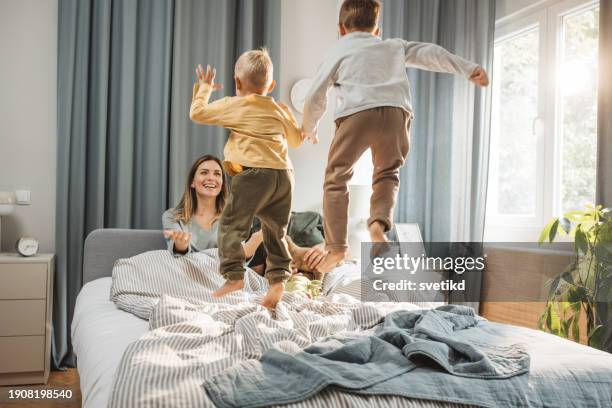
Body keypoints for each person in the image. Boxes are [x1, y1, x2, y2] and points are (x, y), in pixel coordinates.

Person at [301, 0, 490, 271]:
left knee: (337, 177)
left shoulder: (338, 50)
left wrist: (310, 125)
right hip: (396, 114)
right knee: (387, 174)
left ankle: (336, 248)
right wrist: (466, 67)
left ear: (341, 29)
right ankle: (378, 226)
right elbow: (429, 53)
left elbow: (315, 94)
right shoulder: (392, 46)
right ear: (377, 30)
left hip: (356, 116)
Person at [189, 48, 304, 310]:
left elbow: (197, 113)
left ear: (237, 82)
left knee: (231, 226)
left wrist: (205, 88)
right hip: (285, 176)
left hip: (253, 174)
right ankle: (277, 280)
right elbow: (296, 141)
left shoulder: (235, 104)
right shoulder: (279, 109)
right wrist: (292, 119)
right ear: (271, 85)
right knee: (276, 231)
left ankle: (233, 276)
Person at [163, 155, 328, 276]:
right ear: (192, 182)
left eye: (217, 174)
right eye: (204, 172)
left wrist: (258, 240)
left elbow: (242, 256)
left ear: (222, 184)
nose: (211, 178)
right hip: (204, 272)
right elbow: (177, 253)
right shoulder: (172, 216)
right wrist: (181, 245)